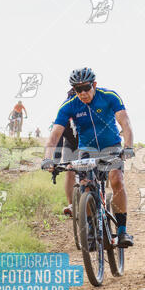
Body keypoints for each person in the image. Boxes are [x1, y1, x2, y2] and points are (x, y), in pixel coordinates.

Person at [41, 67, 135, 248]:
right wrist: (48, 159)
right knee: (85, 186)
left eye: (86, 87)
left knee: (116, 180)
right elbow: (54, 135)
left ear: (94, 84)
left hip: (111, 147)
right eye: (78, 89)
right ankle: (92, 229)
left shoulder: (109, 97)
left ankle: (122, 231)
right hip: (86, 150)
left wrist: (128, 147)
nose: (83, 93)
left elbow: (125, 122)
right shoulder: (69, 106)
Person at [52, 88, 79, 217]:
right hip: (71, 145)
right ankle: (71, 205)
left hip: (90, 145)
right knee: (69, 171)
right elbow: (58, 140)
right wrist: (55, 163)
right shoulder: (64, 112)